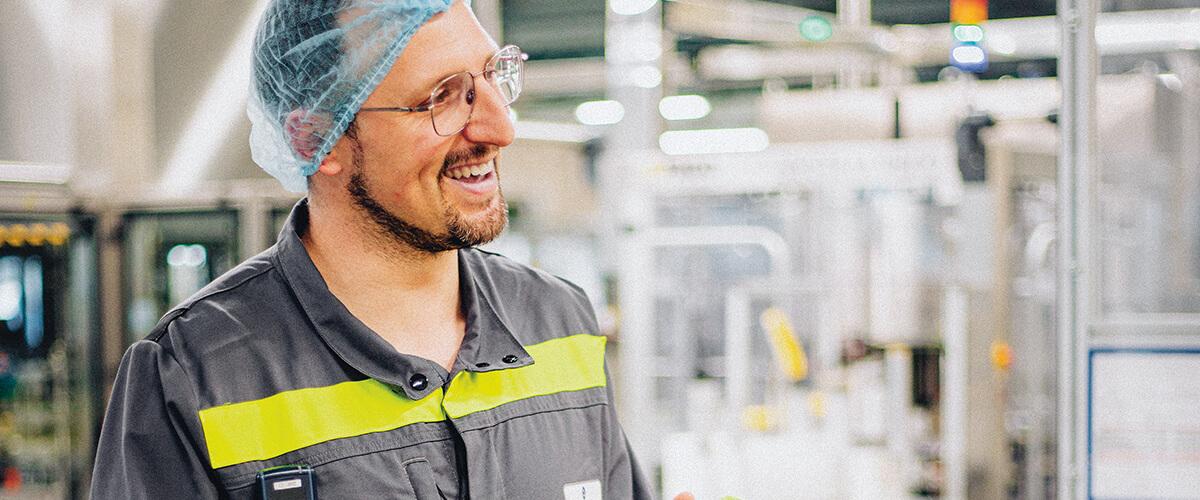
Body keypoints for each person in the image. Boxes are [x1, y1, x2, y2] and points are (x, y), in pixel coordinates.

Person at [90, 1, 660, 498]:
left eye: (491, 77)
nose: (499, 127)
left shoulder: (560, 322)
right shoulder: (194, 374)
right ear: (315, 138)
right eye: (441, 98)